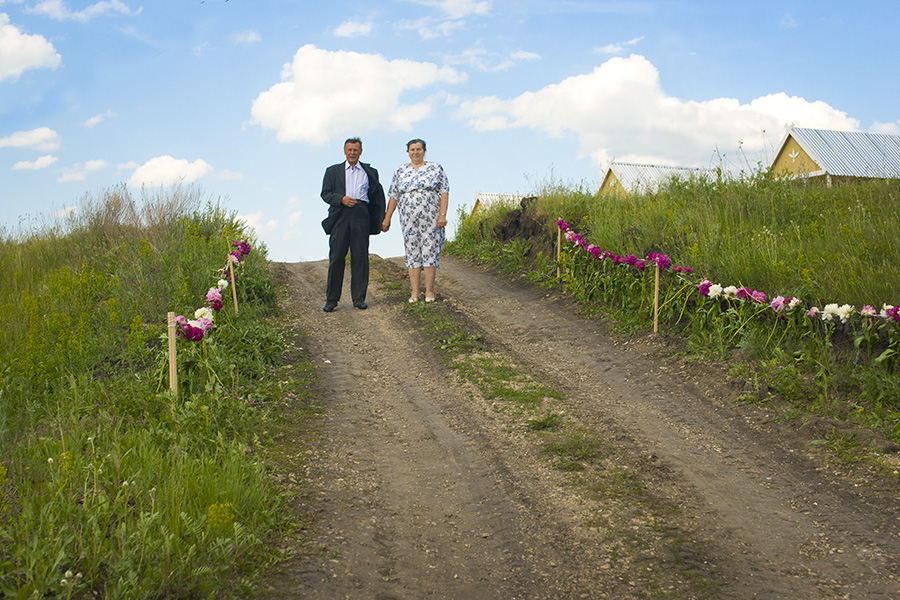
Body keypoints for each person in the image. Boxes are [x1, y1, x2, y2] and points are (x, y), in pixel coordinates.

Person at [320, 137, 385, 312]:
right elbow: (325, 193)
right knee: (336, 257)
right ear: (344, 151)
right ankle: (331, 300)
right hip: (340, 214)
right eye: (349, 149)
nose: (352, 152)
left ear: (360, 152)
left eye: (355, 150)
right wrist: (340, 199)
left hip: (361, 214)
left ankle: (359, 298)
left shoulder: (370, 171)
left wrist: (381, 219)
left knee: (360, 257)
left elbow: (377, 197)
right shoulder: (332, 171)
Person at [382, 138, 450, 303]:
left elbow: (444, 191)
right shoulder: (400, 170)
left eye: (418, 149)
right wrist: (387, 217)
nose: (415, 152)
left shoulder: (435, 168)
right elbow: (393, 195)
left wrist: (442, 215)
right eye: (412, 149)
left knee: (429, 250)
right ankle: (414, 293)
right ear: (408, 152)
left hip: (431, 217)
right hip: (408, 218)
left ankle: (429, 292)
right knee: (412, 250)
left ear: (424, 151)